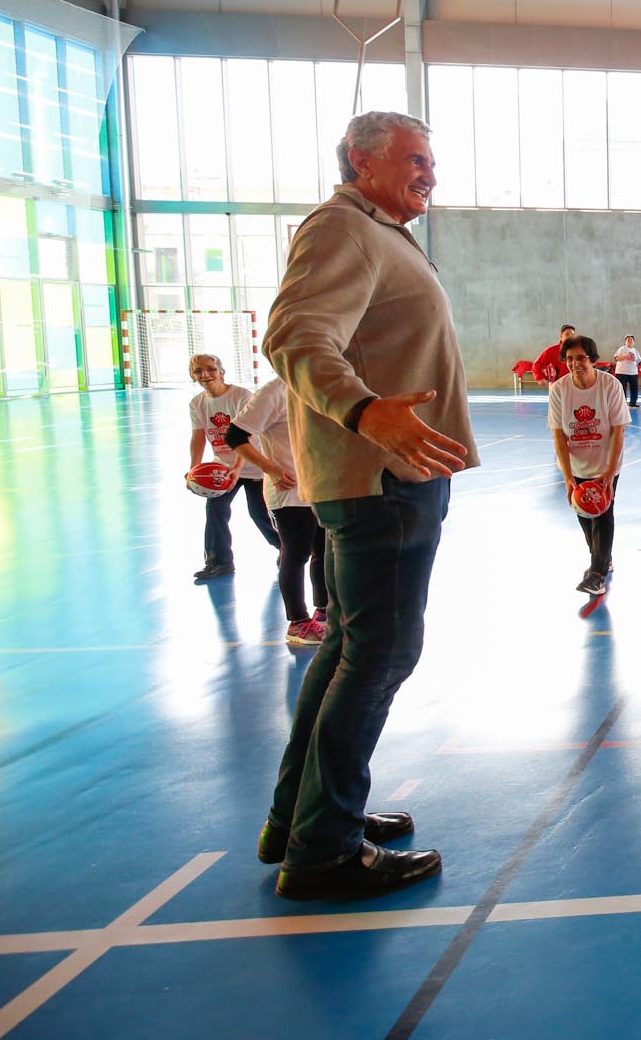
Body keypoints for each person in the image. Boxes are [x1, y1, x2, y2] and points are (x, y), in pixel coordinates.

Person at [260, 109, 475, 901]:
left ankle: (302, 816)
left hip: (392, 474)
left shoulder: (375, 228)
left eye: (431, 160)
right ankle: (325, 849)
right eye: (415, 159)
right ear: (362, 160)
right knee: (381, 652)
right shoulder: (341, 228)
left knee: (350, 645)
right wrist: (365, 410)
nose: (429, 173)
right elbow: (295, 334)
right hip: (383, 477)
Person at [223, 378, 327, 643]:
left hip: (321, 487)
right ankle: (298, 622)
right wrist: (271, 468)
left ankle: (324, 612)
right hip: (289, 491)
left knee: (324, 552)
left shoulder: (321, 384)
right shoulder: (274, 392)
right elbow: (235, 435)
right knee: (296, 553)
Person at [549, 335, 629, 596]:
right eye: (569, 359)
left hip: (605, 463)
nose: (574, 363)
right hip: (577, 465)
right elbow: (559, 435)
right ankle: (602, 558)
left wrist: (610, 470)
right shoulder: (559, 390)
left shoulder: (610, 386)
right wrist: (568, 475)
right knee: (584, 514)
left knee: (603, 513)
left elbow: (618, 431)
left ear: (592, 359)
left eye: (581, 358)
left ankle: (597, 573)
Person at [187, 351, 278, 581]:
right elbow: (198, 437)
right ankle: (219, 562)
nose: (205, 374)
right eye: (198, 370)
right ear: (192, 375)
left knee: (260, 515)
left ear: (221, 372)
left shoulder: (241, 397)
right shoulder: (198, 403)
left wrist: (238, 468)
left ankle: (287, 550)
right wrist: (193, 469)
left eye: (211, 369)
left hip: (254, 464)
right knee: (215, 510)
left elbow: (245, 436)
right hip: (223, 468)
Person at [613, 334, 641, 409]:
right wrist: (625, 356)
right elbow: (616, 358)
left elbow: (639, 361)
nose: (630, 340)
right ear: (625, 341)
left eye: (631, 339)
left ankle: (633, 403)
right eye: (628, 339)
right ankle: (622, 403)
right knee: (622, 388)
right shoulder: (622, 349)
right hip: (622, 372)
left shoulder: (635, 351)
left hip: (633, 372)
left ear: (633, 342)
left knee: (634, 388)